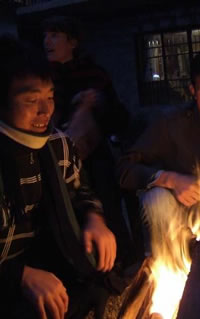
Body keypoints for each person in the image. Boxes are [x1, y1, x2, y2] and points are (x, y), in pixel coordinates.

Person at [0, 35, 116, 319]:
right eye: (31, 100)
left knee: (100, 290)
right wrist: (19, 276)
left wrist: (95, 219)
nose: (45, 110)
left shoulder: (57, 143)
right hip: (9, 274)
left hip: (45, 260)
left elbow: (81, 190)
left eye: (49, 97)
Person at [117, 48, 200, 261]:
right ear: (192, 90)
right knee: (156, 198)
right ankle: (171, 266)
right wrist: (170, 179)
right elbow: (123, 169)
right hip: (179, 224)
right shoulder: (171, 125)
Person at [42, 16, 133, 270]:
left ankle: (117, 261)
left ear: (72, 42)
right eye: (45, 36)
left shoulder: (94, 74)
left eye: (55, 35)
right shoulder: (42, 77)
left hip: (93, 160)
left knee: (105, 201)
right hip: (52, 159)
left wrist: (97, 102)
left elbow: (118, 118)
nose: (47, 41)